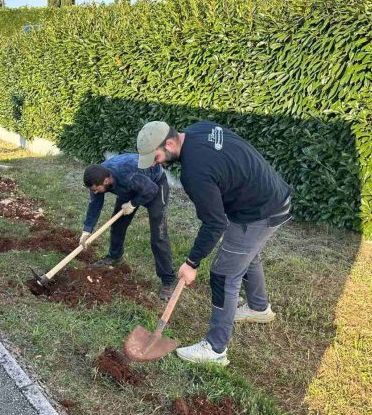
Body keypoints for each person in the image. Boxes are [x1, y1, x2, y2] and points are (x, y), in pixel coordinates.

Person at [137, 121, 292, 366]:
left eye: (155, 156)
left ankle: (215, 349)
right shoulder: (199, 129)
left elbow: (215, 223)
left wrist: (191, 262)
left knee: (223, 274)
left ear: (169, 143)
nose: (156, 162)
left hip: (259, 211)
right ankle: (259, 308)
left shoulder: (194, 171)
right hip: (272, 196)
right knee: (246, 255)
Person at [81, 153, 176, 300]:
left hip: (154, 184)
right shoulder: (98, 177)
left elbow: (151, 189)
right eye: (92, 190)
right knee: (117, 224)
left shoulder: (127, 174)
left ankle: (168, 280)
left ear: (106, 180)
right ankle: (114, 256)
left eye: (96, 189)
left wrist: (132, 204)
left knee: (159, 234)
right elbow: (95, 204)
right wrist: (86, 231)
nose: (95, 192)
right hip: (129, 187)